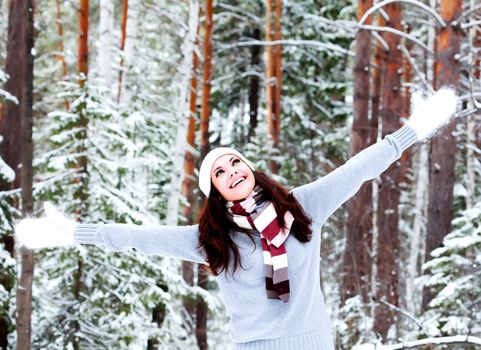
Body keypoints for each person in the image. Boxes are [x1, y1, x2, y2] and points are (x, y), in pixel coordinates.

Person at [15, 87, 458, 349]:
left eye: (235, 163)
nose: (232, 172)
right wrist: (72, 232)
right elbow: (138, 237)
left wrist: (415, 129)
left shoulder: (303, 206)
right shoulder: (210, 239)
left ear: (250, 168)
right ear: (216, 192)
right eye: (220, 173)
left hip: (314, 342)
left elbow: (359, 167)